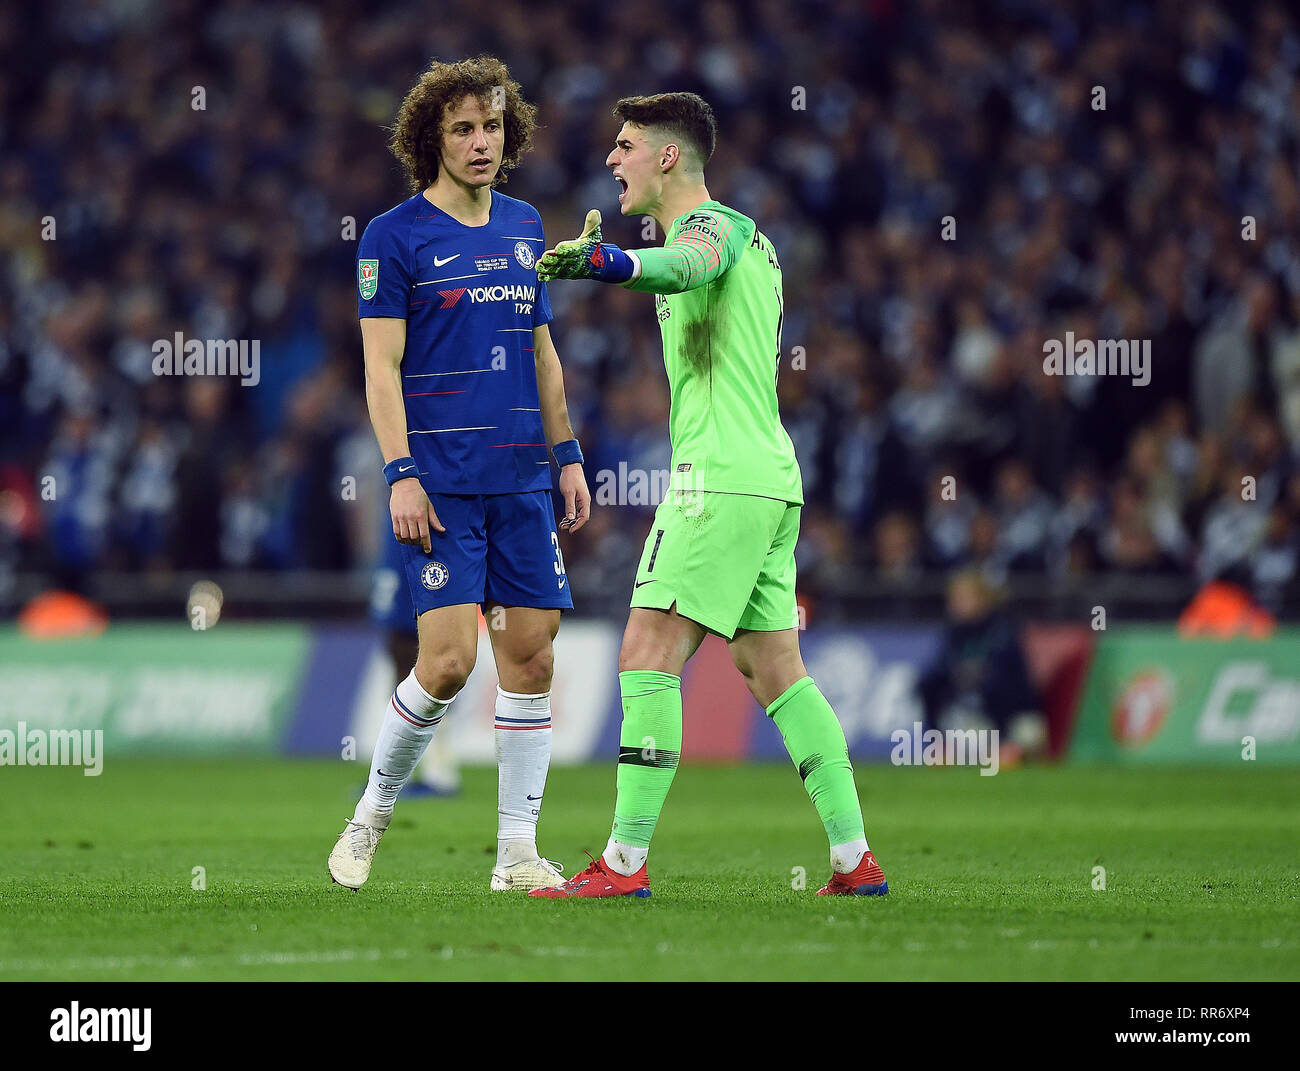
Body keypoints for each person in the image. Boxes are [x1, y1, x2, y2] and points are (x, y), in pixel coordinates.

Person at [530, 92, 886, 899]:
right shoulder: (756, 246)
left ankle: (623, 864)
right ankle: (852, 857)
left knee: (646, 651)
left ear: (667, 156)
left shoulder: (715, 230)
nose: (612, 161)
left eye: (624, 146)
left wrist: (604, 262)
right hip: (767, 480)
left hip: (718, 479)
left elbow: (682, 264)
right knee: (774, 668)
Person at [328, 55, 590, 893]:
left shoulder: (524, 226)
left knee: (532, 659)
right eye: (463, 129)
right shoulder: (393, 236)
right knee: (445, 661)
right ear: (430, 139)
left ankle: (516, 853)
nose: (482, 142)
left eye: (492, 126)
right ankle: (370, 814)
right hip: (438, 484)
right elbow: (380, 368)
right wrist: (399, 472)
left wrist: (569, 454)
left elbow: (543, 351)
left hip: (520, 483)